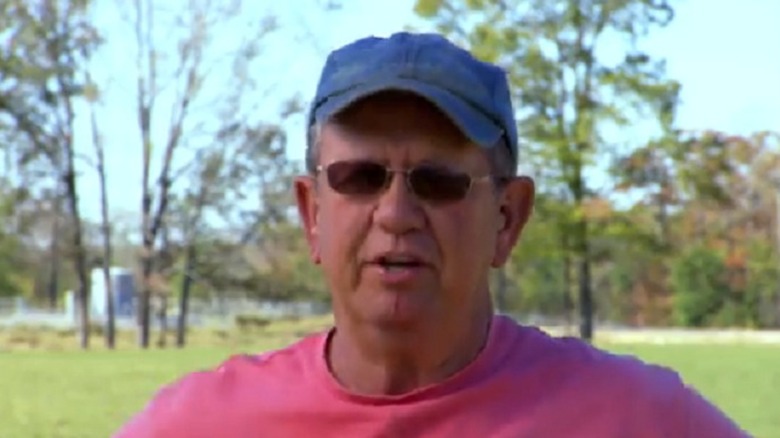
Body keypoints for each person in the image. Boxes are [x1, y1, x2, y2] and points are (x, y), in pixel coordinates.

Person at [115, 32, 748, 438]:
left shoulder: (637, 418)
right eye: (359, 177)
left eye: (439, 180)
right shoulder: (203, 423)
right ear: (312, 213)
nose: (395, 212)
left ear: (508, 218)